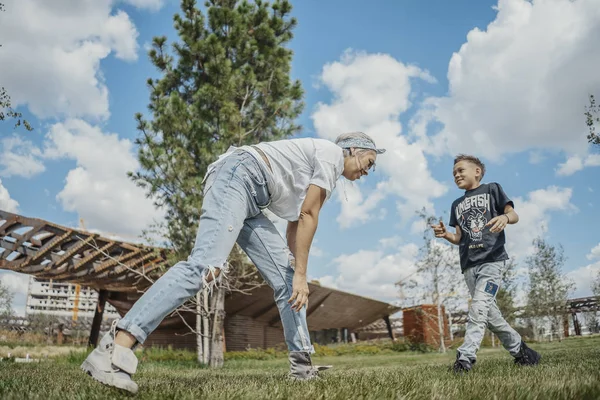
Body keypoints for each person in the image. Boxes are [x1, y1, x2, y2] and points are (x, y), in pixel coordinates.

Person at [81, 132, 386, 393]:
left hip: (254, 201)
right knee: (204, 268)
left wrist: (296, 272)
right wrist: (303, 274)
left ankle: (302, 369)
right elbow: (309, 216)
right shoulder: (332, 155)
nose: (366, 172)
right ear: (352, 150)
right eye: (368, 163)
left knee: (287, 281)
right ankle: (115, 349)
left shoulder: (321, 169)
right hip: (237, 176)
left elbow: (296, 222)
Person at [430, 154, 541, 373]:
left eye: (461, 170)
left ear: (477, 171)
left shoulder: (492, 189)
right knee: (491, 317)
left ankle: (465, 357)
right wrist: (445, 235)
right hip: (469, 266)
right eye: (454, 173)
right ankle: (524, 353)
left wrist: (505, 218)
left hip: (491, 260)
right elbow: (459, 238)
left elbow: (514, 214)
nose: (456, 175)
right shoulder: (457, 204)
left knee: (478, 309)